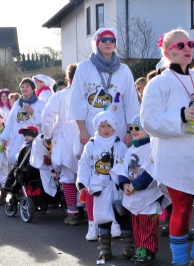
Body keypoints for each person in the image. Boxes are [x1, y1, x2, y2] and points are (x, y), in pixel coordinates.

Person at [141, 28, 194, 265]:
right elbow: (148, 120)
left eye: (189, 44)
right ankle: (179, 261)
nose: (188, 48)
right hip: (175, 155)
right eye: (181, 46)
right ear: (168, 52)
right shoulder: (158, 84)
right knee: (183, 207)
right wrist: (181, 115)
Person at [68, 28, 140, 241]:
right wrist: (82, 130)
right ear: (97, 43)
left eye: (112, 40)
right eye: (104, 40)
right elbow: (78, 101)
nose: (108, 43)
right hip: (92, 132)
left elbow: (131, 103)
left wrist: (129, 131)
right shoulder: (85, 67)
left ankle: (115, 221)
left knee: (116, 176)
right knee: (95, 178)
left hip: (116, 134)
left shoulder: (124, 69)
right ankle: (94, 222)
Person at [113, 114, 170, 266]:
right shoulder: (130, 149)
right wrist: (124, 183)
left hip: (149, 196)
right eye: (131, 128)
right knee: (137, 224)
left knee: (148, 224)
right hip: (133, 196)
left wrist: (135, 185)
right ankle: (140, 249)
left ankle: (149, 251)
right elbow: (122, 169)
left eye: (138, 128)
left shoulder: (152, 147)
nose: (133, 130)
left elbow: (151, 172)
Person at [76, 111, 133, 261]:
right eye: (103, 126)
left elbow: (126, 164)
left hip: (117, 189)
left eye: (109, 126)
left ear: (114, 127)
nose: (106, 129)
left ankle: (128, 248)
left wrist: (126, 181)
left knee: (123, 217)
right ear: (98, 127)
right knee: (103, 219)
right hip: (99, 189)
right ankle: (105, 250)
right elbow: (84, 164)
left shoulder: (119, 145)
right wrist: (82, 181)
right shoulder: (91, 145)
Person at [41, 63, 80, 225]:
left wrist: (48, 136)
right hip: (87, 139)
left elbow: (47, 117)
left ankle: (73, 212)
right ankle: (86, 210)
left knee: (68, 176)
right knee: (85, 176)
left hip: (65, 140)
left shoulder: (60, 95)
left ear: (67, 78)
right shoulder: (90, 95)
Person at [0, 78, 45, 167]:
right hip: (17, 139)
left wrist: (33, 113)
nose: (24, 88)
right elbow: (10, 122)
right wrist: (4, 138)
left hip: (33, 141)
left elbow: (45, 121)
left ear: (33, 89)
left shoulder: (40, 104)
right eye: (22, 86)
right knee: (16, 163)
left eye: (27, 86)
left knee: (31, 164)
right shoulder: (17, 104)